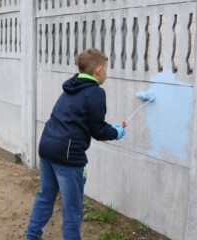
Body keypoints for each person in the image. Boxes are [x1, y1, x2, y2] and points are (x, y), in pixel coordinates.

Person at [25, 48, 126, 240]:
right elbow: (97, 130)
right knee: (72, 209)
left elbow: (83, 120)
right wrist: (115, 132)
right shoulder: (95, 92)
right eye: (106, 69)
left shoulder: (71, 87)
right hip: (68, 156)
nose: (106, 74)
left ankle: (32, 235)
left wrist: (108, 128)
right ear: (99, 70)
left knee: (45, 196)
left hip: (47, 148)